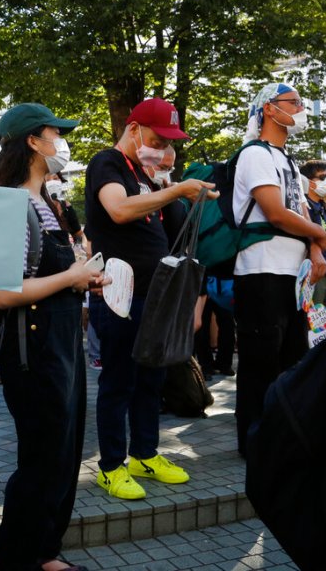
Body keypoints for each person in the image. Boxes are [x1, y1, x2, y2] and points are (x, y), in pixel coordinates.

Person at [0, 103, 104, 571]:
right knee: (41, 460)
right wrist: (71, 278)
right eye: (56, 134)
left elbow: (51, 272)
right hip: (31, 350)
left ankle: (45, 552)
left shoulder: (48, 203)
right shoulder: (10, 204)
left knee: (65, 451)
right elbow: (3, 292)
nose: (61, 143)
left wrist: (82, 279)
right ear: (33, 142)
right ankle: (16, 562)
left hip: (61, 346)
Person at [85, 97, 216, 500]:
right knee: (119, 381)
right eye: (158, 139)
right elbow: (119, 210)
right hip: (120, 294)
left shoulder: (148, 175)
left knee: (151, 378)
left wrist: (171, 188)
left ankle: (145, 453)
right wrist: (174, 189)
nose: (161, 148)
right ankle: (111, 465)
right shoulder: (106, 163)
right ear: (134, 128)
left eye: (168, 143)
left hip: (155, 296)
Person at [233, 83, 326, 458]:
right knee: (260, 360)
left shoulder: (287, 160)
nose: (301, 109)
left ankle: (282, 436)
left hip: (292, 274)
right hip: (261, 271)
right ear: (270, 110)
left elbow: (301, 212)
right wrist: (320, 233)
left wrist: (315, 248)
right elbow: (275, 212)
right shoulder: (254, 155)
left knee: (291, 359)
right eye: (294, 103)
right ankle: (254, 442)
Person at [300, 159, 326, 318]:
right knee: (313, 323)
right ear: (309, 183)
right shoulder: (304, 208)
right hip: (315, 273)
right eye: (322, 178)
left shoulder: (322, 208)